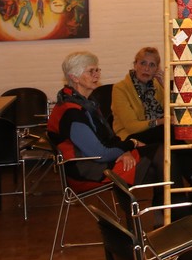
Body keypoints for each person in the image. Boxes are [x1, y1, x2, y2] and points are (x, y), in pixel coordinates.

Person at [110, 46, 192, 210]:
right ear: (135, 65)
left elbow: (176, 112)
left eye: (152, 65)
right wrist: (160, 121)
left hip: (157, 136)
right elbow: (131, 125)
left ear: (157, 69)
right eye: (143, 63)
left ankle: (184, 201)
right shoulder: (120, 88)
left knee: (171, 150)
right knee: (168, 131)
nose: (146, 68)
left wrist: (165, 86)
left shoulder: (156, 87)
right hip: (131, 139)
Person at [49, 50, 159, 185]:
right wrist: (131, 144)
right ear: (74, 78)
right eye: (91, 71)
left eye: (97, 70)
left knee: (162, 158)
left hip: (98, 161)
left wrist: (124, 150)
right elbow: (100, 154)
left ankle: (167, 196)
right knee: (160, 161)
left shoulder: (86, 102)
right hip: (87, 171)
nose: (97, 74)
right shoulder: (72, 112)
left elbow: (107, 139)